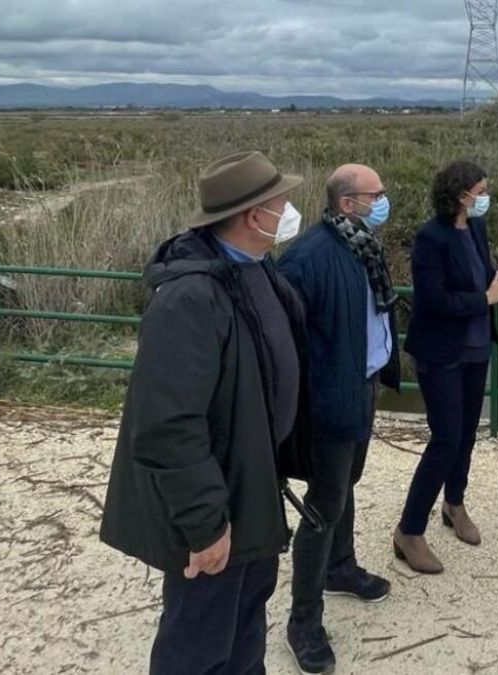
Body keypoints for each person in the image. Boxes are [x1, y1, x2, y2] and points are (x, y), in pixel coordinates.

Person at [100, 151, 314, 674]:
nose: (289, 209)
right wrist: (205, 525)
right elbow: (167, 427)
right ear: (251, 214)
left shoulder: (254, 271)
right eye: (280, 201)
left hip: (251, 486)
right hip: (217, 503)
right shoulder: (190, 298)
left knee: (243, 627)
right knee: (196, 646)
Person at [277, 164, 401, 674]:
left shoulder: (361, 244)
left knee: (346, 483)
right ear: (348, 203)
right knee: (323, 505)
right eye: (376, 194)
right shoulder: (307, 258)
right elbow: (284, 343)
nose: (384, 201)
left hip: (362, 386)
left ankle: (340, 567)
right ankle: (303, 621)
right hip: (329, 399)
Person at [393, 160, 498, 574]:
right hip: (441, 353)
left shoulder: (474, 227)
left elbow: (480, 278)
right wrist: (485, 299)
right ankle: (409, 530)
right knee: (445, 439)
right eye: (481, 190)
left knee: (466, 434)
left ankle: (454, 504)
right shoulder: (429, 237)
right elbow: (433, 300)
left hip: (475, 349)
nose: (485, 197)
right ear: (459, 194)